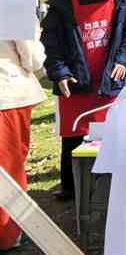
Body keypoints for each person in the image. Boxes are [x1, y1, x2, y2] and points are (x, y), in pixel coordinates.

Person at [41, 0, 126, 201]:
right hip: (75, 82)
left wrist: (123, 59)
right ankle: (71, 187)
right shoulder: (63, 2)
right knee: (73, 137)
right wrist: (60, 73)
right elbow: (51, 43)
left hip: (109, 81)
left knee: (108, 134)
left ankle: (108, 184)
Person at [0, 22, 46, 250]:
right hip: (6, 94)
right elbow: (33, 59)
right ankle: (7, 235)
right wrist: (35, 33)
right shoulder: (12, 2)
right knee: (9, 170)